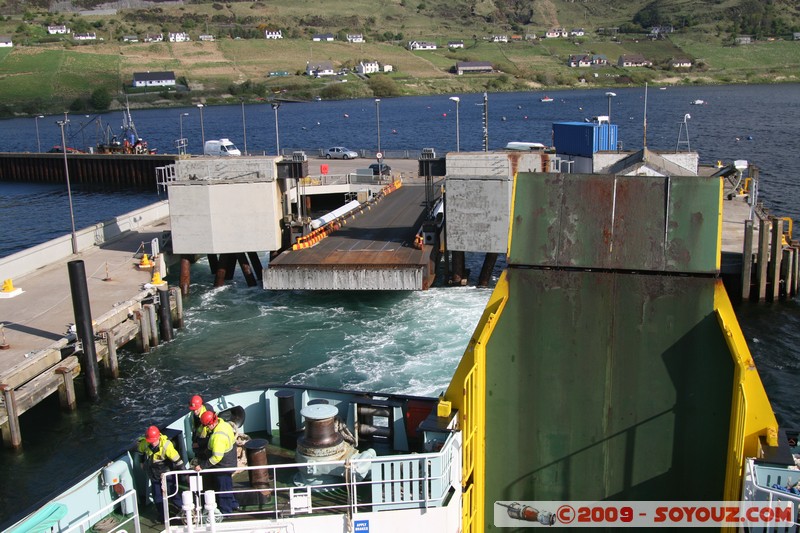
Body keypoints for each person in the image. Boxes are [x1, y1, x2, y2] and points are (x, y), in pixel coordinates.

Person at [194, 410, 239, 514]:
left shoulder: (218, 436)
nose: (206, 428)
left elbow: (216, 457)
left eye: (206, 426)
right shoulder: (224, 424)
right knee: (227, 486)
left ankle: (226, 511)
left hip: (223, 466)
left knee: (223, 489)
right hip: (230, 461)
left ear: (211, 424)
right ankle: (233, 504)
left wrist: (202, 466)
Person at [137, 425, 184, 521]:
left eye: (154, 441)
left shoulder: (166, 445)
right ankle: (163, 515)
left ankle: (184, 509)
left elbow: (177, 460)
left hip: (166, 472)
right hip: (153, 473)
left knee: (173, 493)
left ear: (158, 437)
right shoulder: (145, 443)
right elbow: (140, 452)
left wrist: (185, 473)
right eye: (151, 441)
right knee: (157, 496)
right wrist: (141, 462)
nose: (153, 443)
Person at [188, 395, 214, 459]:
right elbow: (195, 428)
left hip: (207, 439)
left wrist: (199, 443)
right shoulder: (194, 415)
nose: (195, 411)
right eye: (193, 410)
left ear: (201, 406)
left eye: (196, 409)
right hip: (199, 436)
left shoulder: (207, 414)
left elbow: (212, 435)